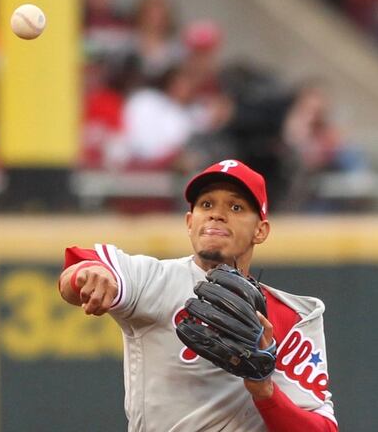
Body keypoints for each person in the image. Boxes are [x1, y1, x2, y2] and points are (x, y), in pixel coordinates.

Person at [58, 159, 337, 431]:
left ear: (260, 230)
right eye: (206, 204)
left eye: (236, 206)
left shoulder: (292, 318)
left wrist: (265, 391)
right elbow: (81, 269)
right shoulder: (155, 280)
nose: (217, 213)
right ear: (190, 221)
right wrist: (88, 275)